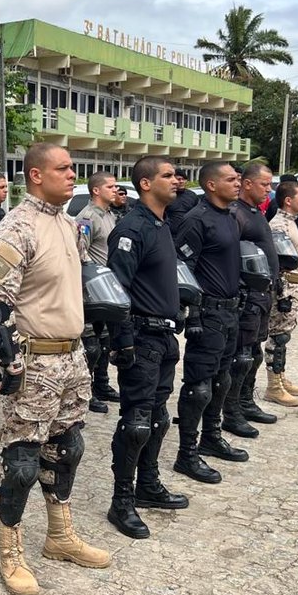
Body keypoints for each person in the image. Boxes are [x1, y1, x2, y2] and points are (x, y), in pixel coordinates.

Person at [0, 142, 110, 595]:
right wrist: (10, 361)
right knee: (21, 461)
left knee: (67, 447)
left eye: (72, 168)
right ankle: (10, 552)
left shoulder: (71, 225)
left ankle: (60, 536)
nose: (72, 174)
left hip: (73, 356)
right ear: (36, 175)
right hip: (36, 361)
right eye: (63, 168)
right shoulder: (16, 228)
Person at [104, 156, 189, 540]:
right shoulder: (131, 229)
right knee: (136, 423)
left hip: (164, 337)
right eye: (168, 175)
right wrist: (121, 343)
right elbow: (116, 291)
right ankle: (121, 502)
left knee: (157, 417)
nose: (176, 180)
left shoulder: (161, 224)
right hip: (140, 338)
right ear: (145, 184)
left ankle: (148, 484)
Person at [172, 162, 248, 484]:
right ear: (211, 185)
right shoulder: (196, 220)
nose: (238, 183)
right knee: (198, 387)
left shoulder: (230, 216)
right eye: (231, 179)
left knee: (223, 379)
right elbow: (182, 269)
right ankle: (186, 454)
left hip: (231, 311)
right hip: (208, 313)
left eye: (238, 178)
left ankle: (211, 436)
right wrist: (195, 315)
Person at [222, 163, 280, 438]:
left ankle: (246, 401)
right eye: (264, 184)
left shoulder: (257, 212)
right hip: (247, 296)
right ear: (247, 184)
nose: (268, 190)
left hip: (263, 294)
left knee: (254, 354)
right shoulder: (236, 213)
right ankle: (230, 412)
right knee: (241, 357)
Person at [75, 171, 120, 414]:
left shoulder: (110, 215)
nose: (115, 190)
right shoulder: (87, 218)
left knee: (105, 342)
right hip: (91, 290)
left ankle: (102, 384)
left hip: (108, 290)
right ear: (96, 190)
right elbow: (82, 256)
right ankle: (87, 390)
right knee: (90, 346)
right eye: (110, 186)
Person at [265, 180, 298, 406]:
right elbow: (279, 263)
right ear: (288, 200)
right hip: (287, 288)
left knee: (285, 336)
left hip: (297, 285)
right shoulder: (278, 225)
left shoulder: (292, 222)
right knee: (278, 336)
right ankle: (273, 386)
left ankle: (281, 377)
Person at [164, 168, 198, 235]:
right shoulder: (166, 196)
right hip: (170, 235)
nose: (181, 181)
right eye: (178, 179)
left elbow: (198, 214)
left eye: (183, 179)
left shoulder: (192, 195)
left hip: (189, 234)